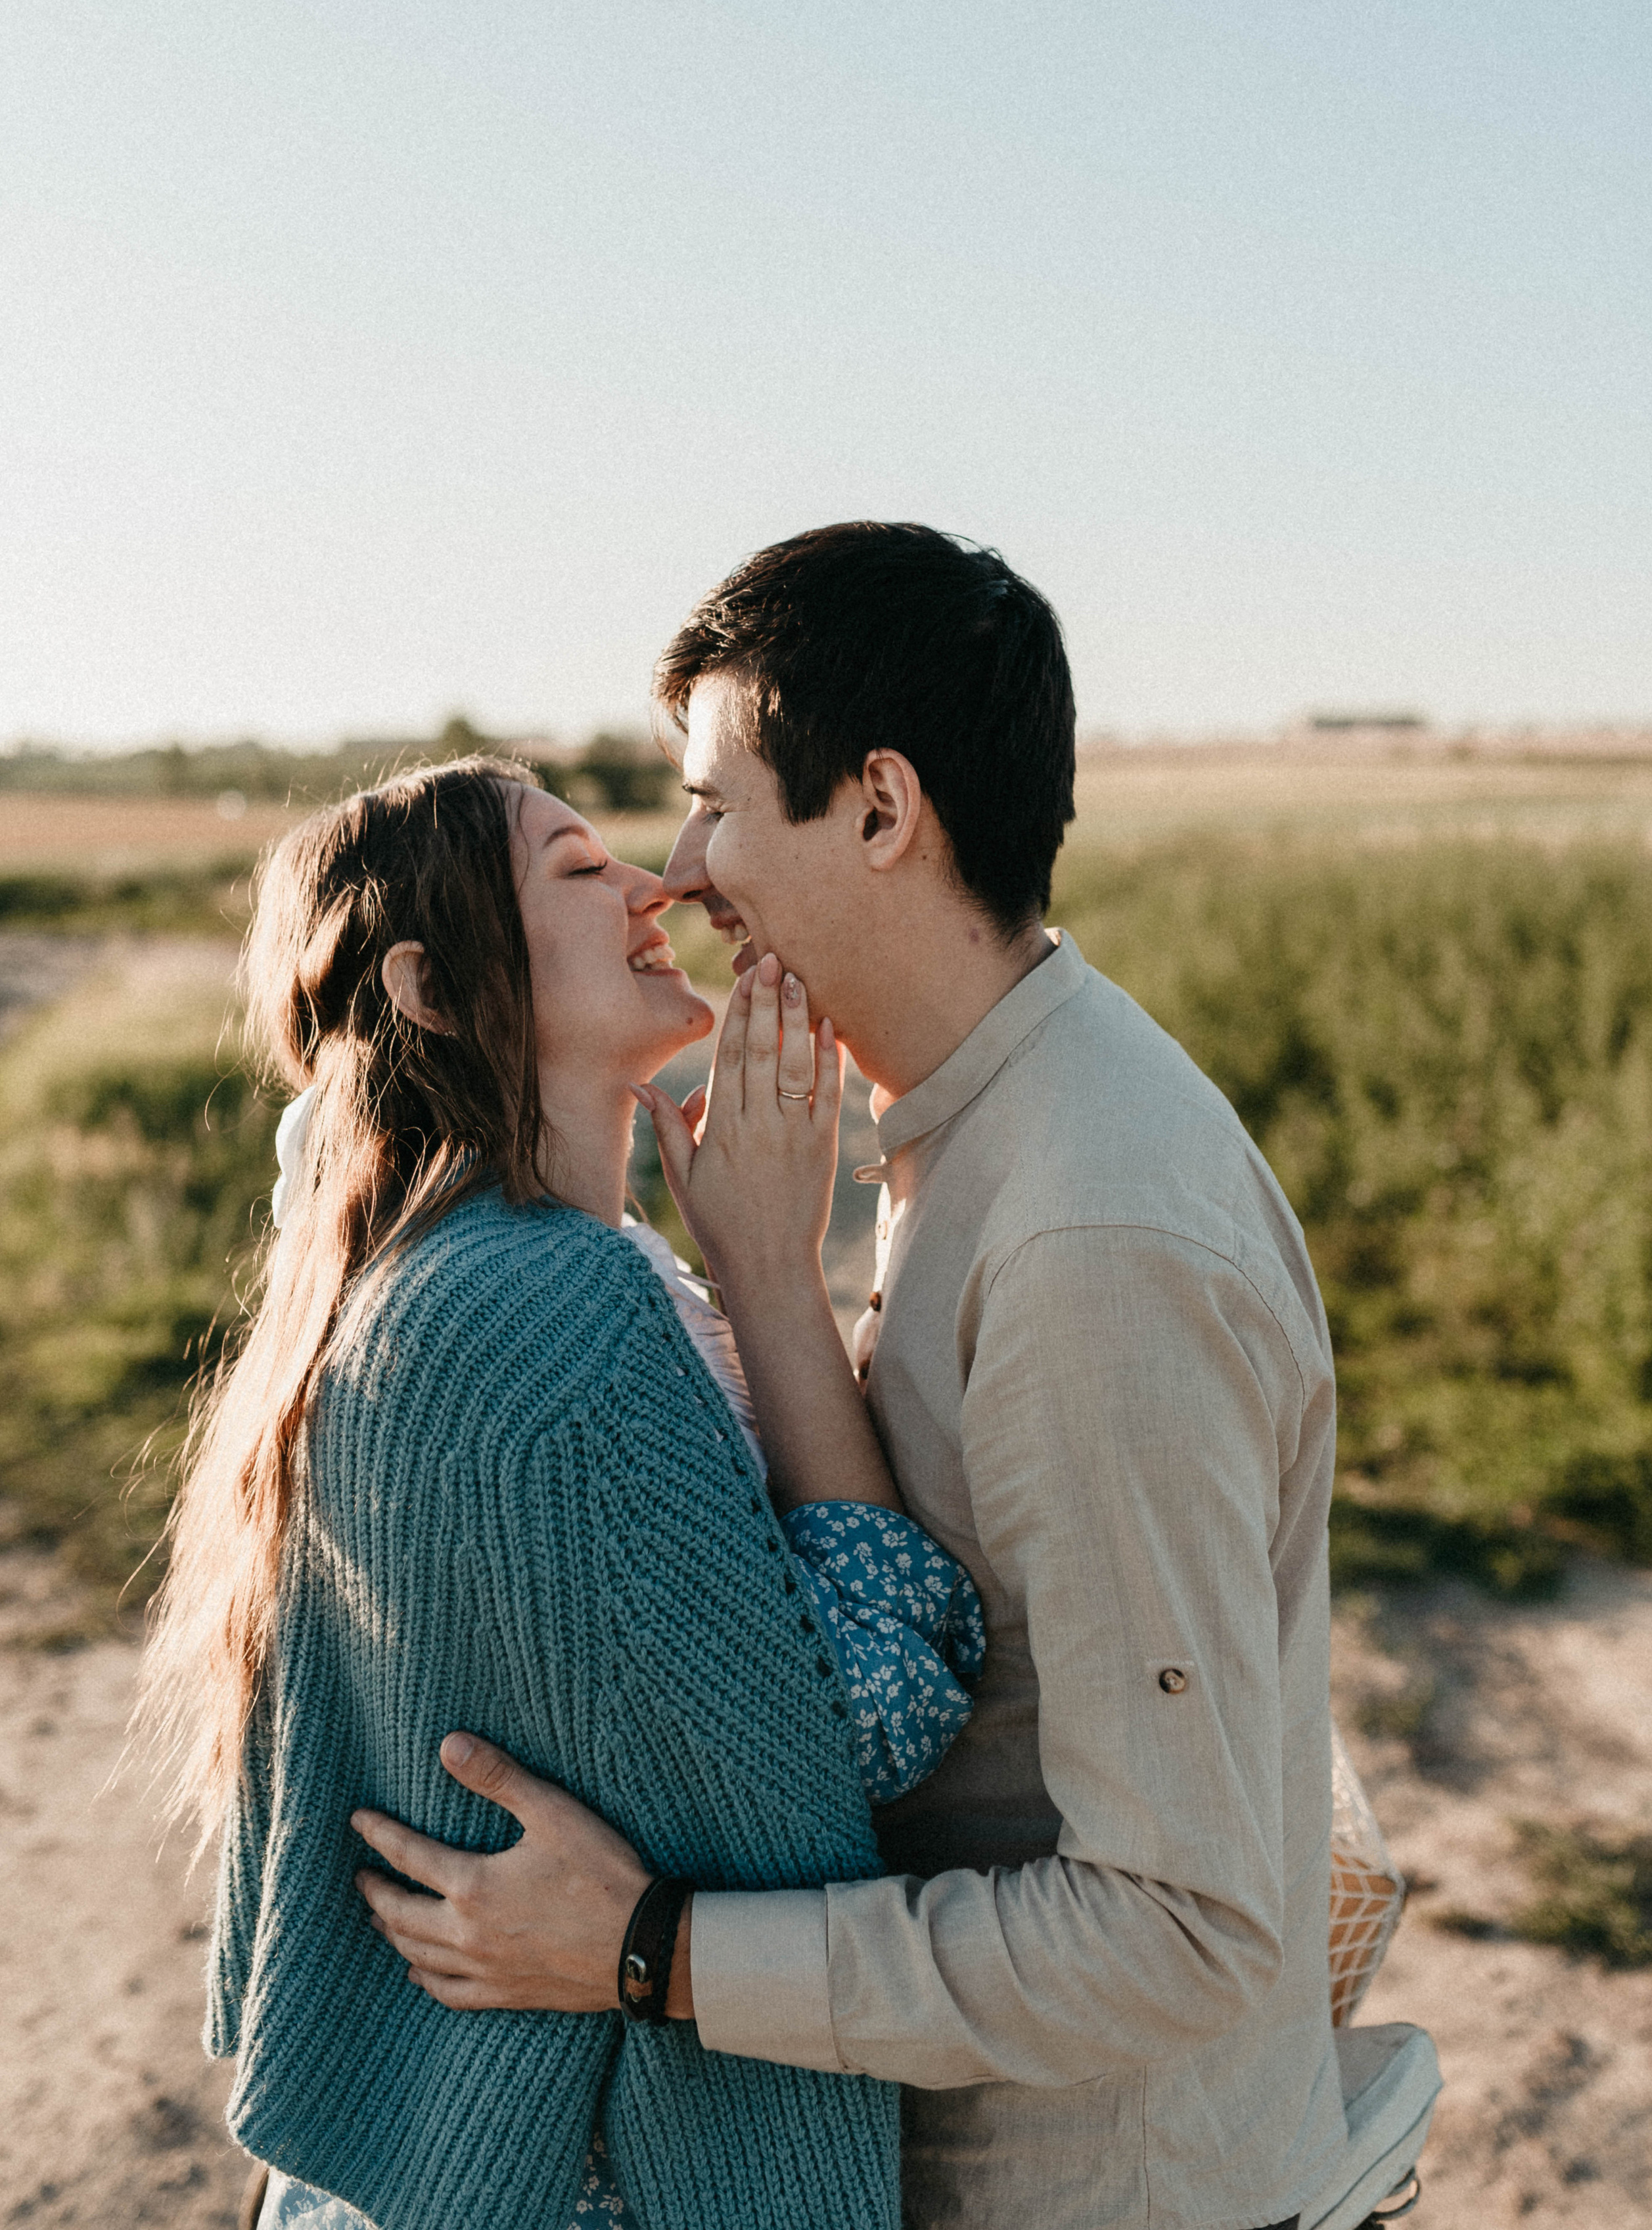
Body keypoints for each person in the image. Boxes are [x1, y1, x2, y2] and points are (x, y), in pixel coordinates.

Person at [352, 522, 1356, 2230]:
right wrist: (767, 1278)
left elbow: (1180, 1930)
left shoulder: (1090, 1238)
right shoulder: (966, 1110)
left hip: (1093, 2187)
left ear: (883, 809)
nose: (679, 872)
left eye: (715, 803)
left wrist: (649, 1949)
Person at [138, 753, 992, 2230]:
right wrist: (779, 1287)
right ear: (433, 988)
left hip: (462, 2159)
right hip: (572, 2177)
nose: (656, 885)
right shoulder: (547, 1310)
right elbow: (875, 1714)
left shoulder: (460, 1274)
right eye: (578, 872)